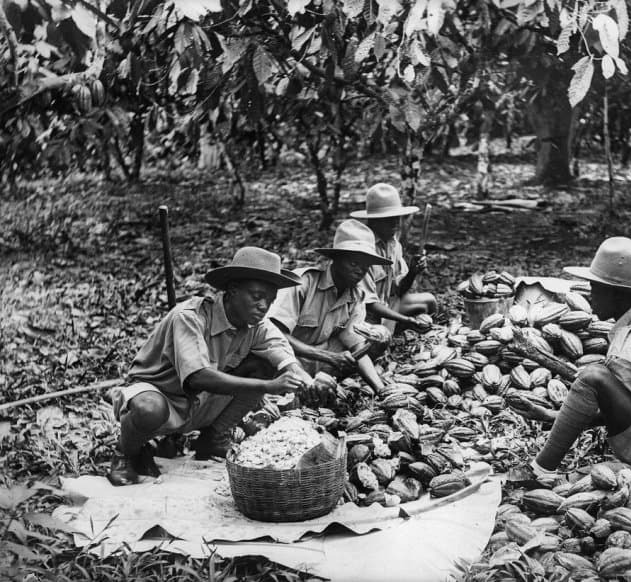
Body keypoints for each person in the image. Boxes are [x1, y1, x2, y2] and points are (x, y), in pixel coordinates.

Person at [108, 247, 324, 486]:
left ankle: (213, 438)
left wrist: (306, 380)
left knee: (263, 365)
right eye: (256, 296)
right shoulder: (190, 316)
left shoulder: (257, 326)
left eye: (270, 300)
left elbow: (284, 356)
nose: (264, 306)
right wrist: (268, 386)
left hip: (202, 402)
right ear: (232, 290)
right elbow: (198, 377)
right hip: (162, 395)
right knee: (149, 409)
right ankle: (124, 455)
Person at [510, 237, 631, 474]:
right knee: (598, 379)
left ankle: (540, 469)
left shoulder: (628, 346)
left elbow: (616, 406)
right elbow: (630, 408)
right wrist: (552, 416)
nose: (590, 295)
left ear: (615, 293)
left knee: (593, 377)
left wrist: (566, 409)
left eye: (595, 288)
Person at [268, 219, 390, 395]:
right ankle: (307, 389)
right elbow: (275, 335)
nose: (360, 271)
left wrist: (381, 390)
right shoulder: (303, 284)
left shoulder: (356, 296)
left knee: (375, 339)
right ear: (336, 259)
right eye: (354, 263)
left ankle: (323, 386)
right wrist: (328, 357)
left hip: (321, 363)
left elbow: (357, 347)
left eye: (365, 266)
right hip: (287, 360)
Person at [351, 183, 436, 333]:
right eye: (389, 219)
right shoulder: (363, 249)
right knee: (379, 336)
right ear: (374, 221)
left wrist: (412, 272)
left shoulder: (393, 244)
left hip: (388, 304)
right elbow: (369, 304)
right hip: (364, 315)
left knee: (429, 301)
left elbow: (399, 291)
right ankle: (390, 332)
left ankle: (397, 328)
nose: (396, 223)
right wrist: (406, 320)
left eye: (397, 218)